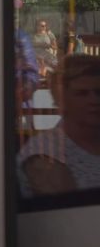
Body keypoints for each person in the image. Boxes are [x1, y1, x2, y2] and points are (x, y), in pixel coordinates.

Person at [18, 54, 100, 197]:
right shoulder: (44, 152)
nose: (94, 100)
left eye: (99, 92)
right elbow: (71, 213)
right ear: (61, 99)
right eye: (82, 93)